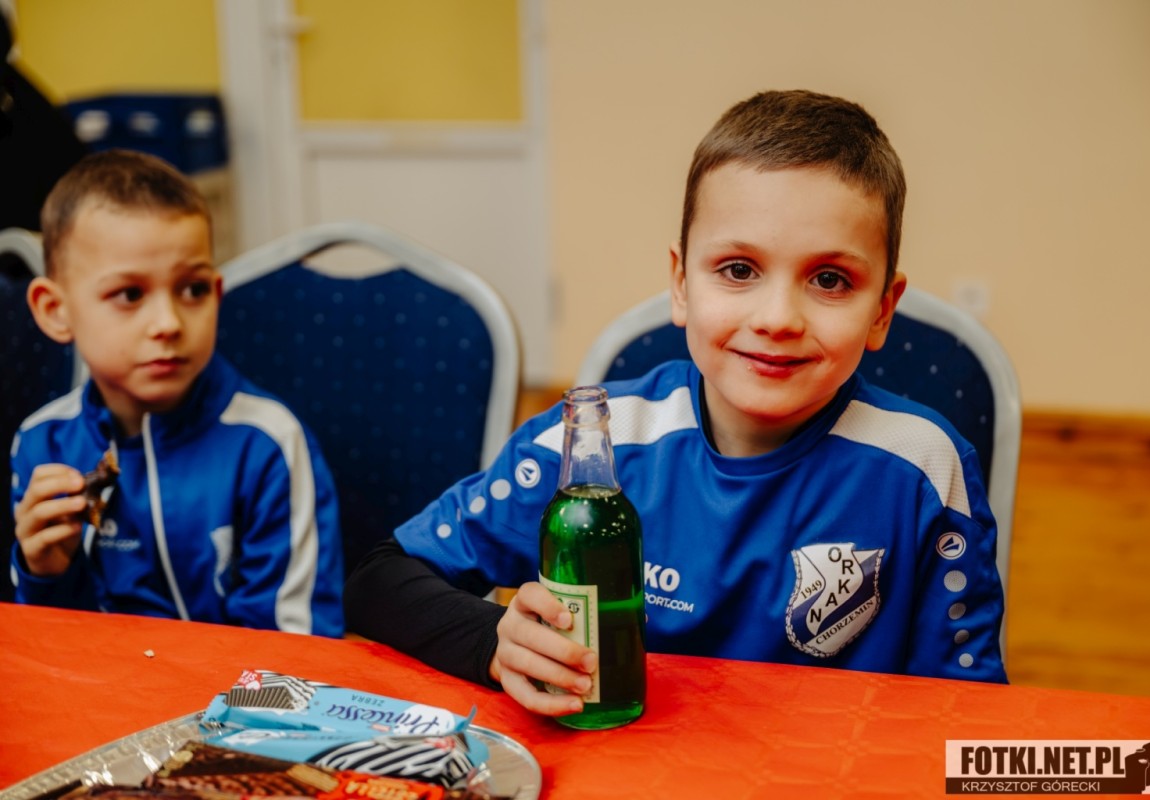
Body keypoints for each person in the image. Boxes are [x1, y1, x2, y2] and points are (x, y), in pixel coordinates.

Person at [345, 89, 1007, 715]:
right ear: (681, 283)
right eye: (739, 270)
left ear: (883, 310)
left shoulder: (924, 469)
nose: (777, 318)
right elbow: (379, 579)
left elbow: (968, 717)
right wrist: (493, 640)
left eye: (830, 279)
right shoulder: (592, 449)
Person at [9, 149, 344, 636]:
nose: (168, 323)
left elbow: (296, 651)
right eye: (130, 294)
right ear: (55, 310)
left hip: (236, 686)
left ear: (217, 295)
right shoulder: (41, 443)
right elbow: (47, 642)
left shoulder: (268, 445)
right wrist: (44, 573)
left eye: (193, 290)